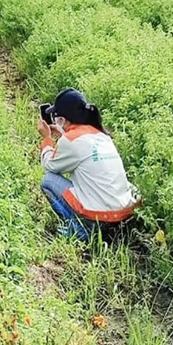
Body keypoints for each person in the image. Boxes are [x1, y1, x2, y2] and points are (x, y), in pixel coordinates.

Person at [37, 88, 140, 241]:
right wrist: (64, 134)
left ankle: (81, 229)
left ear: (63, 120)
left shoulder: (71, 140)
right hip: (123, 212)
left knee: (48, 180)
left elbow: (49, 165)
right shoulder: (101, 135)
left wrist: (47, 138)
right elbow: (82, 149)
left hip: (99, 214)